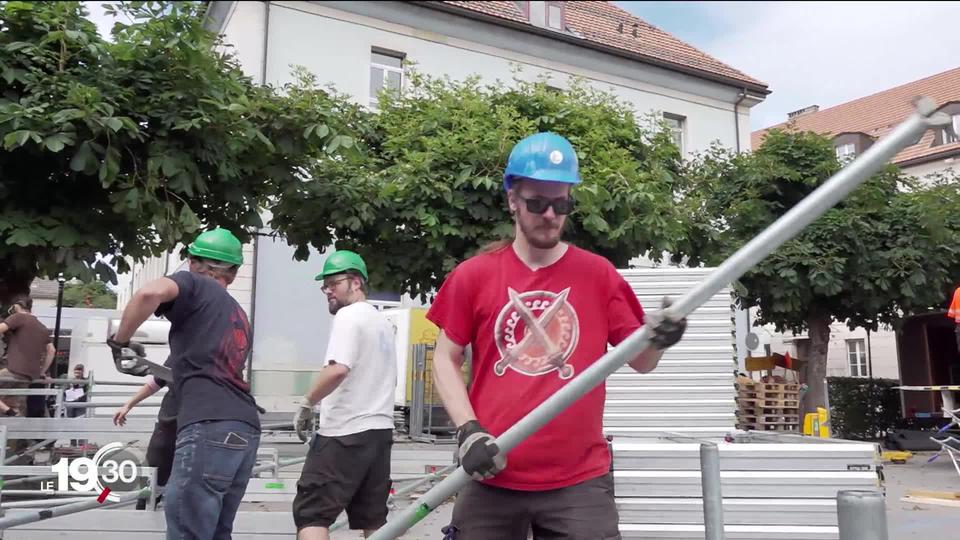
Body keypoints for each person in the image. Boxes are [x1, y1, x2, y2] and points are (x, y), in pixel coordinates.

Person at [426, 132, 688, 539]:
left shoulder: (598, 275)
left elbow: (641, 362)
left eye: (561, 203)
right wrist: (468, 431)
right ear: (512, 199)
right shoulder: (473, 276)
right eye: (537, 203)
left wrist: (660, 339)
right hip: (491, 473)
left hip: (578, 483)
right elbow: (445, 357)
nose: (550, 215)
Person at [108, 227, 261, 539]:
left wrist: (119, 341)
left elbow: (148, 294)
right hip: (244, 427)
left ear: (193, 262)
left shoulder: (194, 282)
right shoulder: (236, 313)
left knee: (187, 531)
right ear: (232, 273)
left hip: (208, 425)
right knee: (217, 531)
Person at [291, 250, 398, 540]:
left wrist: (307, 402)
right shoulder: (382, 323)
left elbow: (338, 369)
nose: (327, 290)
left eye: (332, 283)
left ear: (355, 282)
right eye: (324, 284)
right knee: (374, 518)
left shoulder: (349, 317)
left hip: (344, 432)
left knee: (312, 514)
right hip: (379, 433)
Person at [113, 361, 178, 507]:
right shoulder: (177, 353)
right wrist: (127, 405)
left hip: (200, 429)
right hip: (168, 427)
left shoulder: (218, 356)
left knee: (189, 490)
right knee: (151, 484)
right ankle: (143, 518)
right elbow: (154, 383)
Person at [0, 295, 55, 417]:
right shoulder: (42, 326)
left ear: (16, 306)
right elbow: (52, 350)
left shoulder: (18, 317)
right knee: (12, 402)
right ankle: (12, 417)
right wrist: (42, 372)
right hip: (29, 376)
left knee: (8, 405)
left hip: (14, 370)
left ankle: (8, 411)